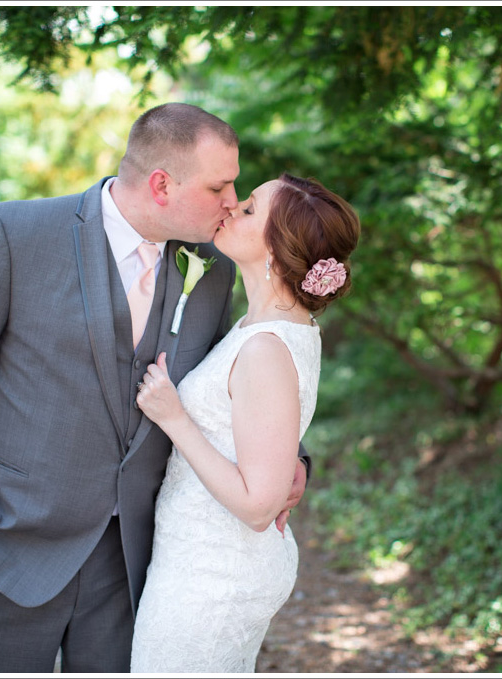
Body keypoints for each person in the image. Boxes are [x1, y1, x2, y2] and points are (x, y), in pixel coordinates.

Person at [0, 103, 308, 673]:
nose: (231, 200)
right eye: (220, 185)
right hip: (3, 547)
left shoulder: (212, 270)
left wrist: (294, 459)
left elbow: (232, 381)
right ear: (162, 184)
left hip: (133, 564)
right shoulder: (17, 235)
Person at [130, 172, 360, 672]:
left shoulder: (266, 347)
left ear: (276, 251)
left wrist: (174, 417)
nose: (232, 207)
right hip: (202, 559)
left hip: (216, 575)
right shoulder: (268, 326)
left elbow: (258, 507)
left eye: (250, 209)